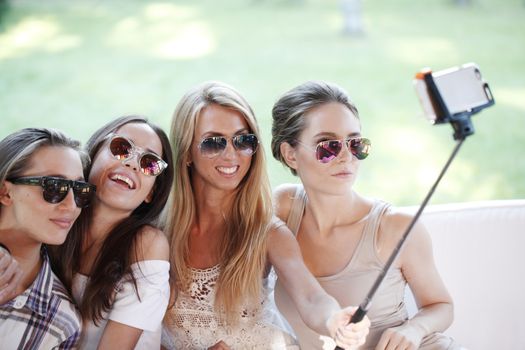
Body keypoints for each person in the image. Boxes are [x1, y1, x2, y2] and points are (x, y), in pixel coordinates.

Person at [161, 81, 370, 350]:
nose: (231, 154)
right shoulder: (159, 232)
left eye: (243, 141)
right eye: (214, 143)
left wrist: (334, 320)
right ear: (187, 151)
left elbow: (311, 299)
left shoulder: (266, 232)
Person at [270, 81, 461, 350]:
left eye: (356, 143)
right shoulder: (284, 207)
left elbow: (441, 305)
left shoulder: (396, 227)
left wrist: (414, 329)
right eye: (328, 146)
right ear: (290, 154)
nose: (347, 156)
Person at [49, 116, 174, 349]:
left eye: (149, 163)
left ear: (151, 193)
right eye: (121, 148)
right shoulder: (54, 221)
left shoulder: (147, 243)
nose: (132, 164)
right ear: (94, 153)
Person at [0, 127, 93, 349]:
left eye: (80, 190)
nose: (71, 206)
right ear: (5, 192)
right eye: (54, 187)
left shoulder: (61, 322)